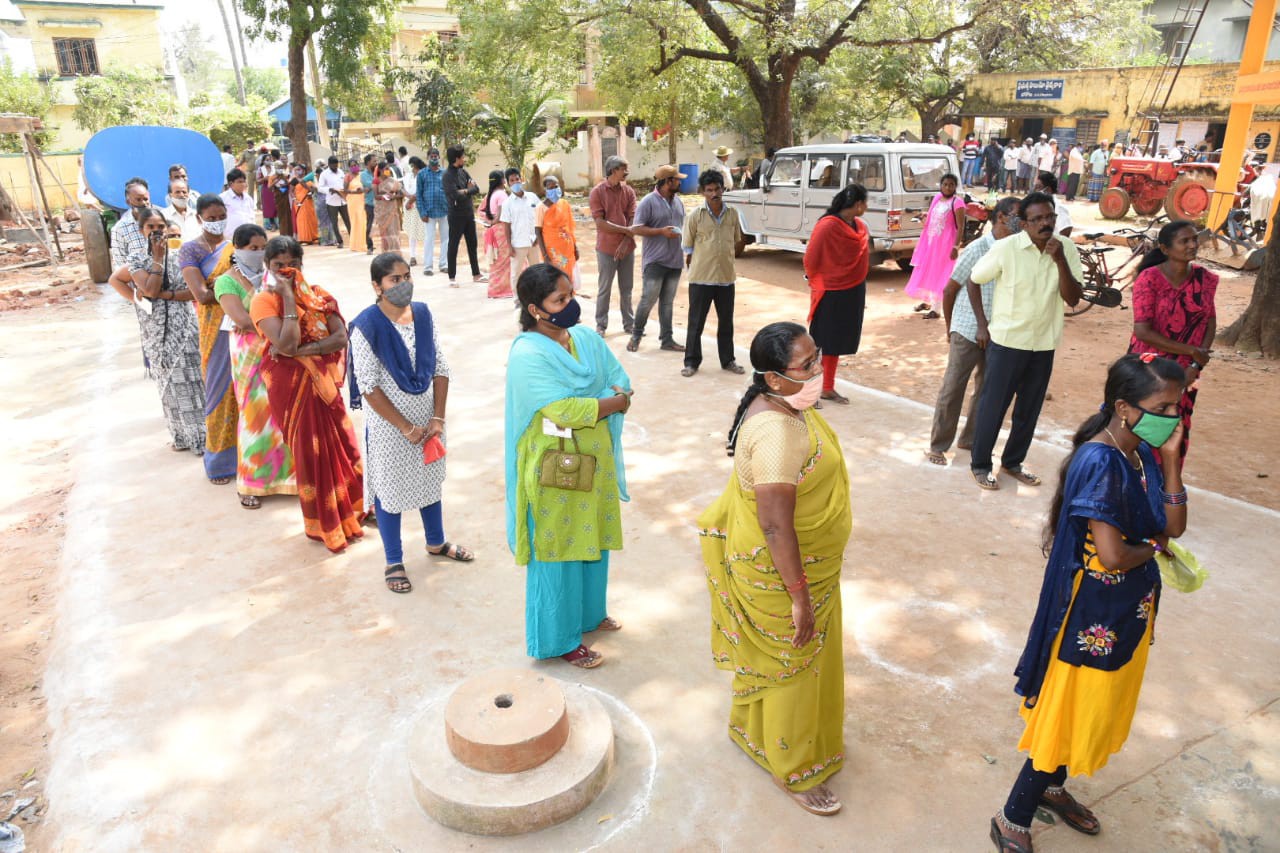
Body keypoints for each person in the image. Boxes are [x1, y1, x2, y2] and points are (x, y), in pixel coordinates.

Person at [989, 353, 1188, 853]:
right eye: (1164, 407)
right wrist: (1156, 548)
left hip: (1126, 610)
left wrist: (1169, 460)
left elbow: (1175, 524)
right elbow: (1115, 554)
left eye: (1178, 406)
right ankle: (1012, 817)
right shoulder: (1101, 460)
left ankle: (1052, 788)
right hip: (1092, 613)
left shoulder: (1141, 452)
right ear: (1124, 407)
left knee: (1090, 708)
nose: (1174, 417)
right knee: (1068, 710)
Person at [698, 321, 850, 817]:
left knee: (792, 663)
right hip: (780, 573)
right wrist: (800, 595)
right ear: (772, 377)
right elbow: (775, 526)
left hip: (797, 565)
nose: (815, 370)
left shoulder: (787, 407)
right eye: (804, 366)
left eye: (816, 356)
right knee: (794, 665)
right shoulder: (776, 434)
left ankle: (755, 732)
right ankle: (794, 767)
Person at [504, 263, 632, 668]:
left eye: (570, 296)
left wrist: (610, 396)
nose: (569, 306)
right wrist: (611, 402)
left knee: (591, 537)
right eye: (559, 301)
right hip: (555, 469)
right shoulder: (527, 354)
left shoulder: (583, 339)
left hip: (594, 459)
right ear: (535, 309)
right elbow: (563, 408)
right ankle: (558, 640)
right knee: (558, 546)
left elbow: (617, 375)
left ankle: (588, 615)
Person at [351, 252, 473, 593]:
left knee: (429, 481)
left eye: (407, 276)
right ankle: (394, 561)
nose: (403, 284)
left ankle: (436, 543)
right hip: (391, 428)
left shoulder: (421, 314)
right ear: (377, 286)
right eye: (394, 279)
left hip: (429, 421)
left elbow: (440, 366)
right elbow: (369, 386)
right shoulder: (366, 326)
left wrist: (438, 417)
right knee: (390, 492)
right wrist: (405, 427)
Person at [250, 236, 365, 553]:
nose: (287, 270)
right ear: (268, 267)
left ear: (302, 263)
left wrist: (305, 350)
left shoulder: (319, 296)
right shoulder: (263, 301)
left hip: (323, 384)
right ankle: (325, 522)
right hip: (290, 387)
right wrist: (288, 299)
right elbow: (285, 345)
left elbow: (340, 339)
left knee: (343, 443)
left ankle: (356, 509)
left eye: (293, 264)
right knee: (311, 452)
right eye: (278, 265)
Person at [966, 192, 1084, 490]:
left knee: (1028, 410)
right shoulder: (1006, 248)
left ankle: (1013, 461)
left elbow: (1073, 298)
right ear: (1024, 223)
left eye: (1050, 217)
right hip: (1007, 342)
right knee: (994, 405)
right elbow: (974, 279)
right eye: (1038, 219)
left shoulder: (1066, 249)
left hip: (1044, 343)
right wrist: (982, 323)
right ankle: (980, 464)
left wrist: (1059, 261)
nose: (1046, 224)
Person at [926, 196, 1020, 466]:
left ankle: (969, 439)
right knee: (953, 387)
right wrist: (951, 328)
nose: (1022, 222)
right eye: (1017, 216)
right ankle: (938, 445)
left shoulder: (1013, 250)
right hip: (967, 330)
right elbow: (950, 289)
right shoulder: (978, 249)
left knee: (986, 390)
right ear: (1002, 217)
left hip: (998, 333)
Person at [213, 223, 297, 509]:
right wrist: (275, 326)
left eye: (262, 247)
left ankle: (287, 477)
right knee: (254, 414)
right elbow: (243, 320)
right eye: (252, 248)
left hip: (276, 349)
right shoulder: (226, 281)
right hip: (250, 353)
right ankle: (249, 483)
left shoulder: (271, 276)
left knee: (281, 411)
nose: (259, 252)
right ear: (238, 249)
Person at [1127, 220, 1217, 463]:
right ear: (1166, 249)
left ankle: (1164, 488)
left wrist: (1195, 366)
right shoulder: (1149, 279)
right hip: (1149, 369)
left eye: (1194, 239)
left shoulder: (1204, 279)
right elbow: (1143, 332)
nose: (1192, 245)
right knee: (1140, 428)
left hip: (1188, 373)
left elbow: (1209, 322)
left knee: (1174, 430)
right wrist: (1191, 351)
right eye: (1184, 241)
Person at [122, 207, 207, 455]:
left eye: (160, 227)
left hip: (185, 325)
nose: (157, 232)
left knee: (192, 379)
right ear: (141, 231)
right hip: (156, 330)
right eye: (151, 227)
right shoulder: (137, 259)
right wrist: (157, 261)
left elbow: (194, 292)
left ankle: (201, 438)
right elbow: (149, 290)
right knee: (167, 383)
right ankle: (180, 436)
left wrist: (167, 295)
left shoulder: (183, 255)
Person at [178, 193, 239, 486]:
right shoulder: (190, 251)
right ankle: (219, 463)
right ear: (199, 218)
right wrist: (228, 281)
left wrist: (218, 283)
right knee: (219, 390)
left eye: (220, 217)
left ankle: (251, 458)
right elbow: (201, 295)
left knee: (248, 390)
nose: (217, 222)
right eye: (211, 218)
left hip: (242, 325)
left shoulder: (236, 246)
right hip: (213, 330)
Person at [803, 184, 870, 405]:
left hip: (852, 290)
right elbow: (811, 259)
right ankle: (809, 392)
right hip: (829, 291)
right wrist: (817, 282)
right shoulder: (827, 226)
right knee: (820, 343)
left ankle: (827, 388)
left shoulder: (859, 226)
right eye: (865, 203)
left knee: (836, 343)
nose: (866, 207)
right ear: (858, 204)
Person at [681, 170, 746, 378]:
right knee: (696, 322)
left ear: (723, 189)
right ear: (703, 192)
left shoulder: (733, 214)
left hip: (726, 278)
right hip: (701, 278)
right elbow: (687, 246)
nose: (714, 193)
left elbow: (736, 240)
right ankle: (691, 362)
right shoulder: (695, 216)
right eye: (709, 190)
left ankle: (728, 360)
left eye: (717, 189)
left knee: (726, 322)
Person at [627, 164, 687, 354]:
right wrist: (660, 231)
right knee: (648, 299)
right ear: (667, 181)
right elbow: (636, 229)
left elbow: (683, 227)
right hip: (655, 261)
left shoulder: (678, 202)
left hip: (675, 260)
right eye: (677, 179)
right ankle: (636, 335)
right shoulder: (648, 202)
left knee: (667, 302)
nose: (680, 182)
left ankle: (667, 339)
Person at [905, 173, 966, 320]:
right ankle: (929, 301)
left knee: (941, 272)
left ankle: (937, 309)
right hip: (932, 241)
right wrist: (922, 217)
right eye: (945, 184)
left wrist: (955, 247)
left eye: (951, 185)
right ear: (941, 185)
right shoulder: (937, 198)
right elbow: (931, 218)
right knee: (930, 270)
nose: (947, 187)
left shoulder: (957, 203)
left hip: (946, 243)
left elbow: (961, 226)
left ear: (955, 186)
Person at [589, 156, 638, 336]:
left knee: (627, 289)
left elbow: (634, 218)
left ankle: (629, 324)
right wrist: (627, 231)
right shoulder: (597, 192)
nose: (626, 172)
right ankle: (601, 325)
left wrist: (626, 240)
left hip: (627, 249)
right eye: (623, 169)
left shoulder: (629, 191)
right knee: (605, 289)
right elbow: (600, 223)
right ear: (612, 170)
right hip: (606, 248)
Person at [443, 145, 486, 286]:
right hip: (456, 215)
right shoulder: (447, 176)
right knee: (454, 245)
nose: (464, 159)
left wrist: (465, 191)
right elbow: (454, 195)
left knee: (472, 243)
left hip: (468, 213)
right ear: (457, 158)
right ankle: (452, 277)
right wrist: (467, 190)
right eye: (462, 156)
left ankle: (476, 274)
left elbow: (476, 188)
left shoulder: (463, 172)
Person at [500, 168, 541, 295]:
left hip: (533, 242)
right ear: (508, 183)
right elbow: (506, 226)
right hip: (518, 244)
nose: (515, 182)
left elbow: (540, 217)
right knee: (516, 274)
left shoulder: (532, 197)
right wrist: (509, 246)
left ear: (521, 179)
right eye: (511, 181)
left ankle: (537, 296)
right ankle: (517, 300)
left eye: (517, 179)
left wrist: (538, 237)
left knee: (536, 271)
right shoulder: (507, 203)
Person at [535, 175, 578, 282]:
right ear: (545, 190)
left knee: (568, 277)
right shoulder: (540, 208)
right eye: (551, 188)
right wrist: (545, 255)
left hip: (567, 248)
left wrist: (575, 247)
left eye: (556, 187)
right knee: (554, 279)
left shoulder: (564, 204)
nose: (554, 190)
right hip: (552, 252)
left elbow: (570, 227)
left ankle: (569, 296)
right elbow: (538, 231)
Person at [415, 148, 450, 274]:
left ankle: (443, 264)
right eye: (432, 156)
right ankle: (428, 267)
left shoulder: (445, 173)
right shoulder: (422, 174)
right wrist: (422, 212)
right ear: (428, 158)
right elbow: (418, 194)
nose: (434, 158)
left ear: (439, 157)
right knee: (429, 239)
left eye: (436, 156)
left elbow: (450, 191)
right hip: (428, 213)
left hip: (444, 211)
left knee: (446, 239)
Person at [111, 178, 152, 270]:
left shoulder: (162, 219)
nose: (143, 203)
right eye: (138, 200)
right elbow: (120, 263)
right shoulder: (120, 229)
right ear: (128, 202)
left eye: (145, 199)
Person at [481, 170, 510, 296]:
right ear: (502, 180)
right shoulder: (502, 194)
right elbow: (501, 213)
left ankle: (495, 288)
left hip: (494, 231)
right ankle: (502, 290)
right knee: (504, 261)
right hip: (501, 229)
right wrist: (495, 222)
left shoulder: (492, 194)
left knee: (497, 261)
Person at [318, 156, 350, 247]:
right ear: (329, 164)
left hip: (343, 200)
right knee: (334, 222)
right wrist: (329, 189)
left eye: (336, 165)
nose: (335, 167)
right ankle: (340, 241)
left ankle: (353, 240)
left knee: (347, 220)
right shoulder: (324, 174)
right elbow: (320, 187)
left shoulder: (340, 171)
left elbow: (344, 183)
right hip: (332, 201)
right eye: (333, 165)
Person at [373, 162, 404, 252]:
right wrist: (384, 196)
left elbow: (400, 193)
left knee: (393, 231)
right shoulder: (376, 181)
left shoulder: (393, 180)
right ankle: (386, 252)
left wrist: (394, 197)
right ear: (380, 170)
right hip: (382, 210)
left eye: (389, 169)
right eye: (386, 169)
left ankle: (395, 251)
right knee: (385, 232)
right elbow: (376, 196)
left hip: (392, 209)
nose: (388, 170)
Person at [403, 157, 427, 266]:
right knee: (412, 232)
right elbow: (402, 187)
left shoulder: (423, 174)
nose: (412, 168)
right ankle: (412, 256)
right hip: (409, 206)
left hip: (419, 205)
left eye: (412, 165)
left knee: (425, 231)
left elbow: (421, 191)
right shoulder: (408, 175)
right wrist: (408, 197)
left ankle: (427, 256)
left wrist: (411, 200)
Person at [1033, 172, 1073, 237]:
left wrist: (1056, 244)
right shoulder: (1036, 204)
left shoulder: (1058, 208)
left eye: (1038, 187)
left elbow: (1066, 229)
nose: (1035, 190)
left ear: (1048, 190)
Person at [221, 169, 256, 235]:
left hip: (248, 236)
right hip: (230, 237)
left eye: (244, 181)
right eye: (239, 182)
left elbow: (252, 216)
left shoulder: (248, 198)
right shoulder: (222, 199)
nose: (243, 184)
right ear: (231, 184)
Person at [292, 165, 319, 245]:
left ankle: (314, 237)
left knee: (311, 218)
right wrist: (295, 200)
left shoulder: (309, 178)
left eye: (299, 169)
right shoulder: (294, 180)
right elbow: (291, 191)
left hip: (309, 201)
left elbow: (313, 188)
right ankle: (305, 239)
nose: (297, 171)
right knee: (302, 220)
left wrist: (312, 193)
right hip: (299, 203)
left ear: (304, 171)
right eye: (296, 170)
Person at [347, 160, 369, 256]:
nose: (354, 167)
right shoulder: (348, 176)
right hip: (352, 200)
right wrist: (355, 192)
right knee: (355, 221)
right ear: (349, 167)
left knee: (363, 221)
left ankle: (364, 243)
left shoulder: (362, 175)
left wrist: (362, 190)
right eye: (352, 166)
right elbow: (345, 189)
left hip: (362, 200)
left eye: (355, 165)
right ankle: (355, 245)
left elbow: (368, 187)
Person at [358, 153, 378, 254]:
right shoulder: (364, 175)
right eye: (374, 161)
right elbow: (373, 185)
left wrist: (371, 187)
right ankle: (370, 246)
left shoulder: (377, 172)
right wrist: (373, 186)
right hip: (370, 203)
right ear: (368, 163)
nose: (376, 163)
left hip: (380, 203)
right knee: (370, 225)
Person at [259, 151, 279, 231]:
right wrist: (265, 178)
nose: (268, 161)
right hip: (266, 188)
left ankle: (278, 223)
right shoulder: (261, 169)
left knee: (276, 205)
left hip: (275, 187)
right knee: (269, 207)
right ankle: (272, 224)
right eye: (266, 160)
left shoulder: (274, 168)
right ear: (263, 161)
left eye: (269, 159)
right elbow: (258, 180)